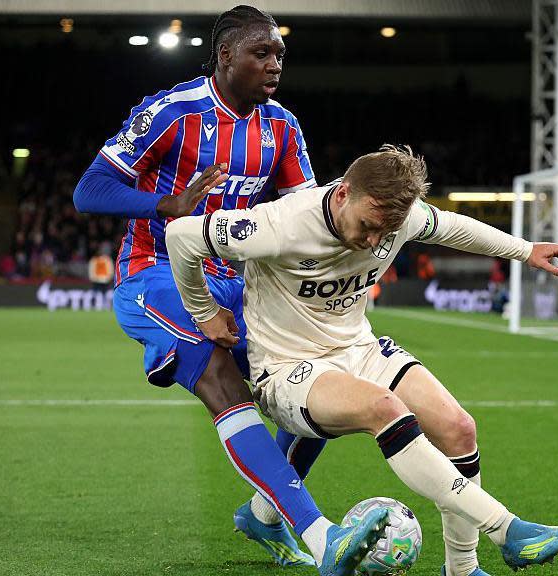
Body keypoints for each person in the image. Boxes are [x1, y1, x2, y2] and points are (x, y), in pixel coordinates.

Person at [166, 145, 558, 575]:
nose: (372, 241)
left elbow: (452, 227)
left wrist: (525, 250)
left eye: (385, 233)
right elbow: (180, 236)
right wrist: (204, 311)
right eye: (367, 226)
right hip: (289, 369)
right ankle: (507, 529)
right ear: (343, 193)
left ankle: (462, 568)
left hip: (360, 351)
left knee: (459, 428)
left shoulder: (397, 217)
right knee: (384, 408)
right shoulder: (280, 224)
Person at [72, 6, 387, 575]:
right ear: (225, 55)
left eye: (279, 56)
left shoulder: (281, 126)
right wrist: (164, 203)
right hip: (154, 273)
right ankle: (322, 538)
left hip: (234, 280)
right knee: (219, 373)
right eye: (261, 54)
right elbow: (89, 189)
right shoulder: (172, 112)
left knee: (319, 375)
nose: (275, 65)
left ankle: (264, 515)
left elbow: (307, 216)